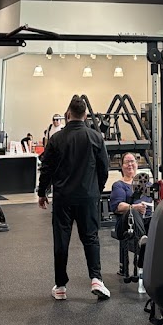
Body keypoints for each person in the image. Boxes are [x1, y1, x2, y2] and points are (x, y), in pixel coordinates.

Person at [37, 96, 111, 301]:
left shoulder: (56, 139)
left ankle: (61, 286)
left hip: (63, 198)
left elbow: (46, 168)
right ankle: (96, 279)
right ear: (85, 115)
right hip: (88, 196)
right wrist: (96, 190)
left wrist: (42, 192)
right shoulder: (96, 137)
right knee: (91, 237)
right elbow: (104, 169)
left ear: (68, 114)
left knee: (61, 240)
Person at [110, 152, 153, 284]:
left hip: (146, 220)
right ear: (122, 166)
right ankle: (142, 240)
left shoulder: (147, 184)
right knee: (132, 211)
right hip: (125, 223)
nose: (130, 164)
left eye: (132, 161)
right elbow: (118, 206)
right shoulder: (119, 185)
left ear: (137, 164)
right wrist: (135, 207)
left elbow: (154, 201)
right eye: (127, 162)